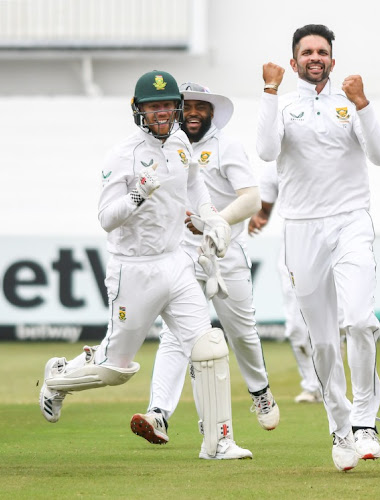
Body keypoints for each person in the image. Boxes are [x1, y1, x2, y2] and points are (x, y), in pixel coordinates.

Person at [38, 70, 241, 460]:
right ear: (139, 110)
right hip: (133, 269)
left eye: (167, 105)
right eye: (153, 106)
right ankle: (58, 377)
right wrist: (139, 192)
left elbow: (194, 182)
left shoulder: (181, 140)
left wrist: (211, 216)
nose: (162, 113)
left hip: (175, 262)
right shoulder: (122, 155)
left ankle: (219, 443)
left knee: (208, 345)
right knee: (115, 369)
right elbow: (107, 218)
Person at [257, 23, 380, 471]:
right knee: (323, 341)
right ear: (294, 63)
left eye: (323, 51)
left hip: (351, 221)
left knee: (359, 320)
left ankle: (365, 421)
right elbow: (264, 149)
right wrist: (269, 92)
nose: (316, 57)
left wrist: (363, 104)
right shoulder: (283, 102)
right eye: (307, 52)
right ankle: (339, 426)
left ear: (332, 59)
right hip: (301, 228)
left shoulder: (348, 102)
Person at [130, 83, 279, 459]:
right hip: (181, 256)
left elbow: (250, 199)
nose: (193, 112)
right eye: (188, 106)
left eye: (201, 107)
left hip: (225, 253)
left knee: (241, 332)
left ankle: (259, 392)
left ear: (212, 113)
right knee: (176, 335)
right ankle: (159, 413)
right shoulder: (169, 148)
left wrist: (215, 224)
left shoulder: (226, 146)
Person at [248, 162, 322, 404]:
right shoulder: (274, 167)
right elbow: (264, 210)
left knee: (343, 323)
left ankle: (348, 388)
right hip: (293, 246)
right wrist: (254, 219)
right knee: (296, 327)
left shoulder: (327, 153)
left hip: (334, 241)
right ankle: (312, 385)